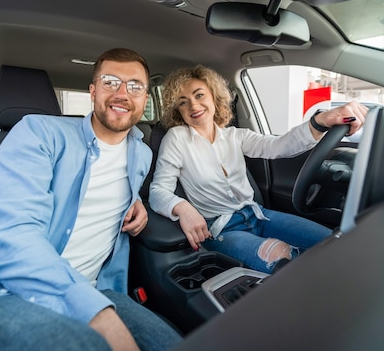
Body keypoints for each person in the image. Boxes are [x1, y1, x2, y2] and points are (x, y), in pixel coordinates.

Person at [0, 48, 182, 351]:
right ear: (93, 91)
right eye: (110, 82)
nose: (122, 93)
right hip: (3, 292)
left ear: (145, 99)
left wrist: (137, 204)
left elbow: (110, 194)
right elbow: (14, 234)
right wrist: (95, 314)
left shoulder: (141, 153)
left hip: (99, 289)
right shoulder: (39, 133)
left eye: (134, 86)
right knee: (80, 344)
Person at [149, 65, 368, 273]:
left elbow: (279, 146)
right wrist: (183, 208)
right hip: (222, 229)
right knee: (289, 264)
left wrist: (320, 121)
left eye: (199, 95)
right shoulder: (177, 138)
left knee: (335, 243)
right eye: (183, 102)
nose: (194, 106)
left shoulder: (235, 135)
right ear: (178, 110)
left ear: (214, 96)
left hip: (258, 215)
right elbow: (159, 190)